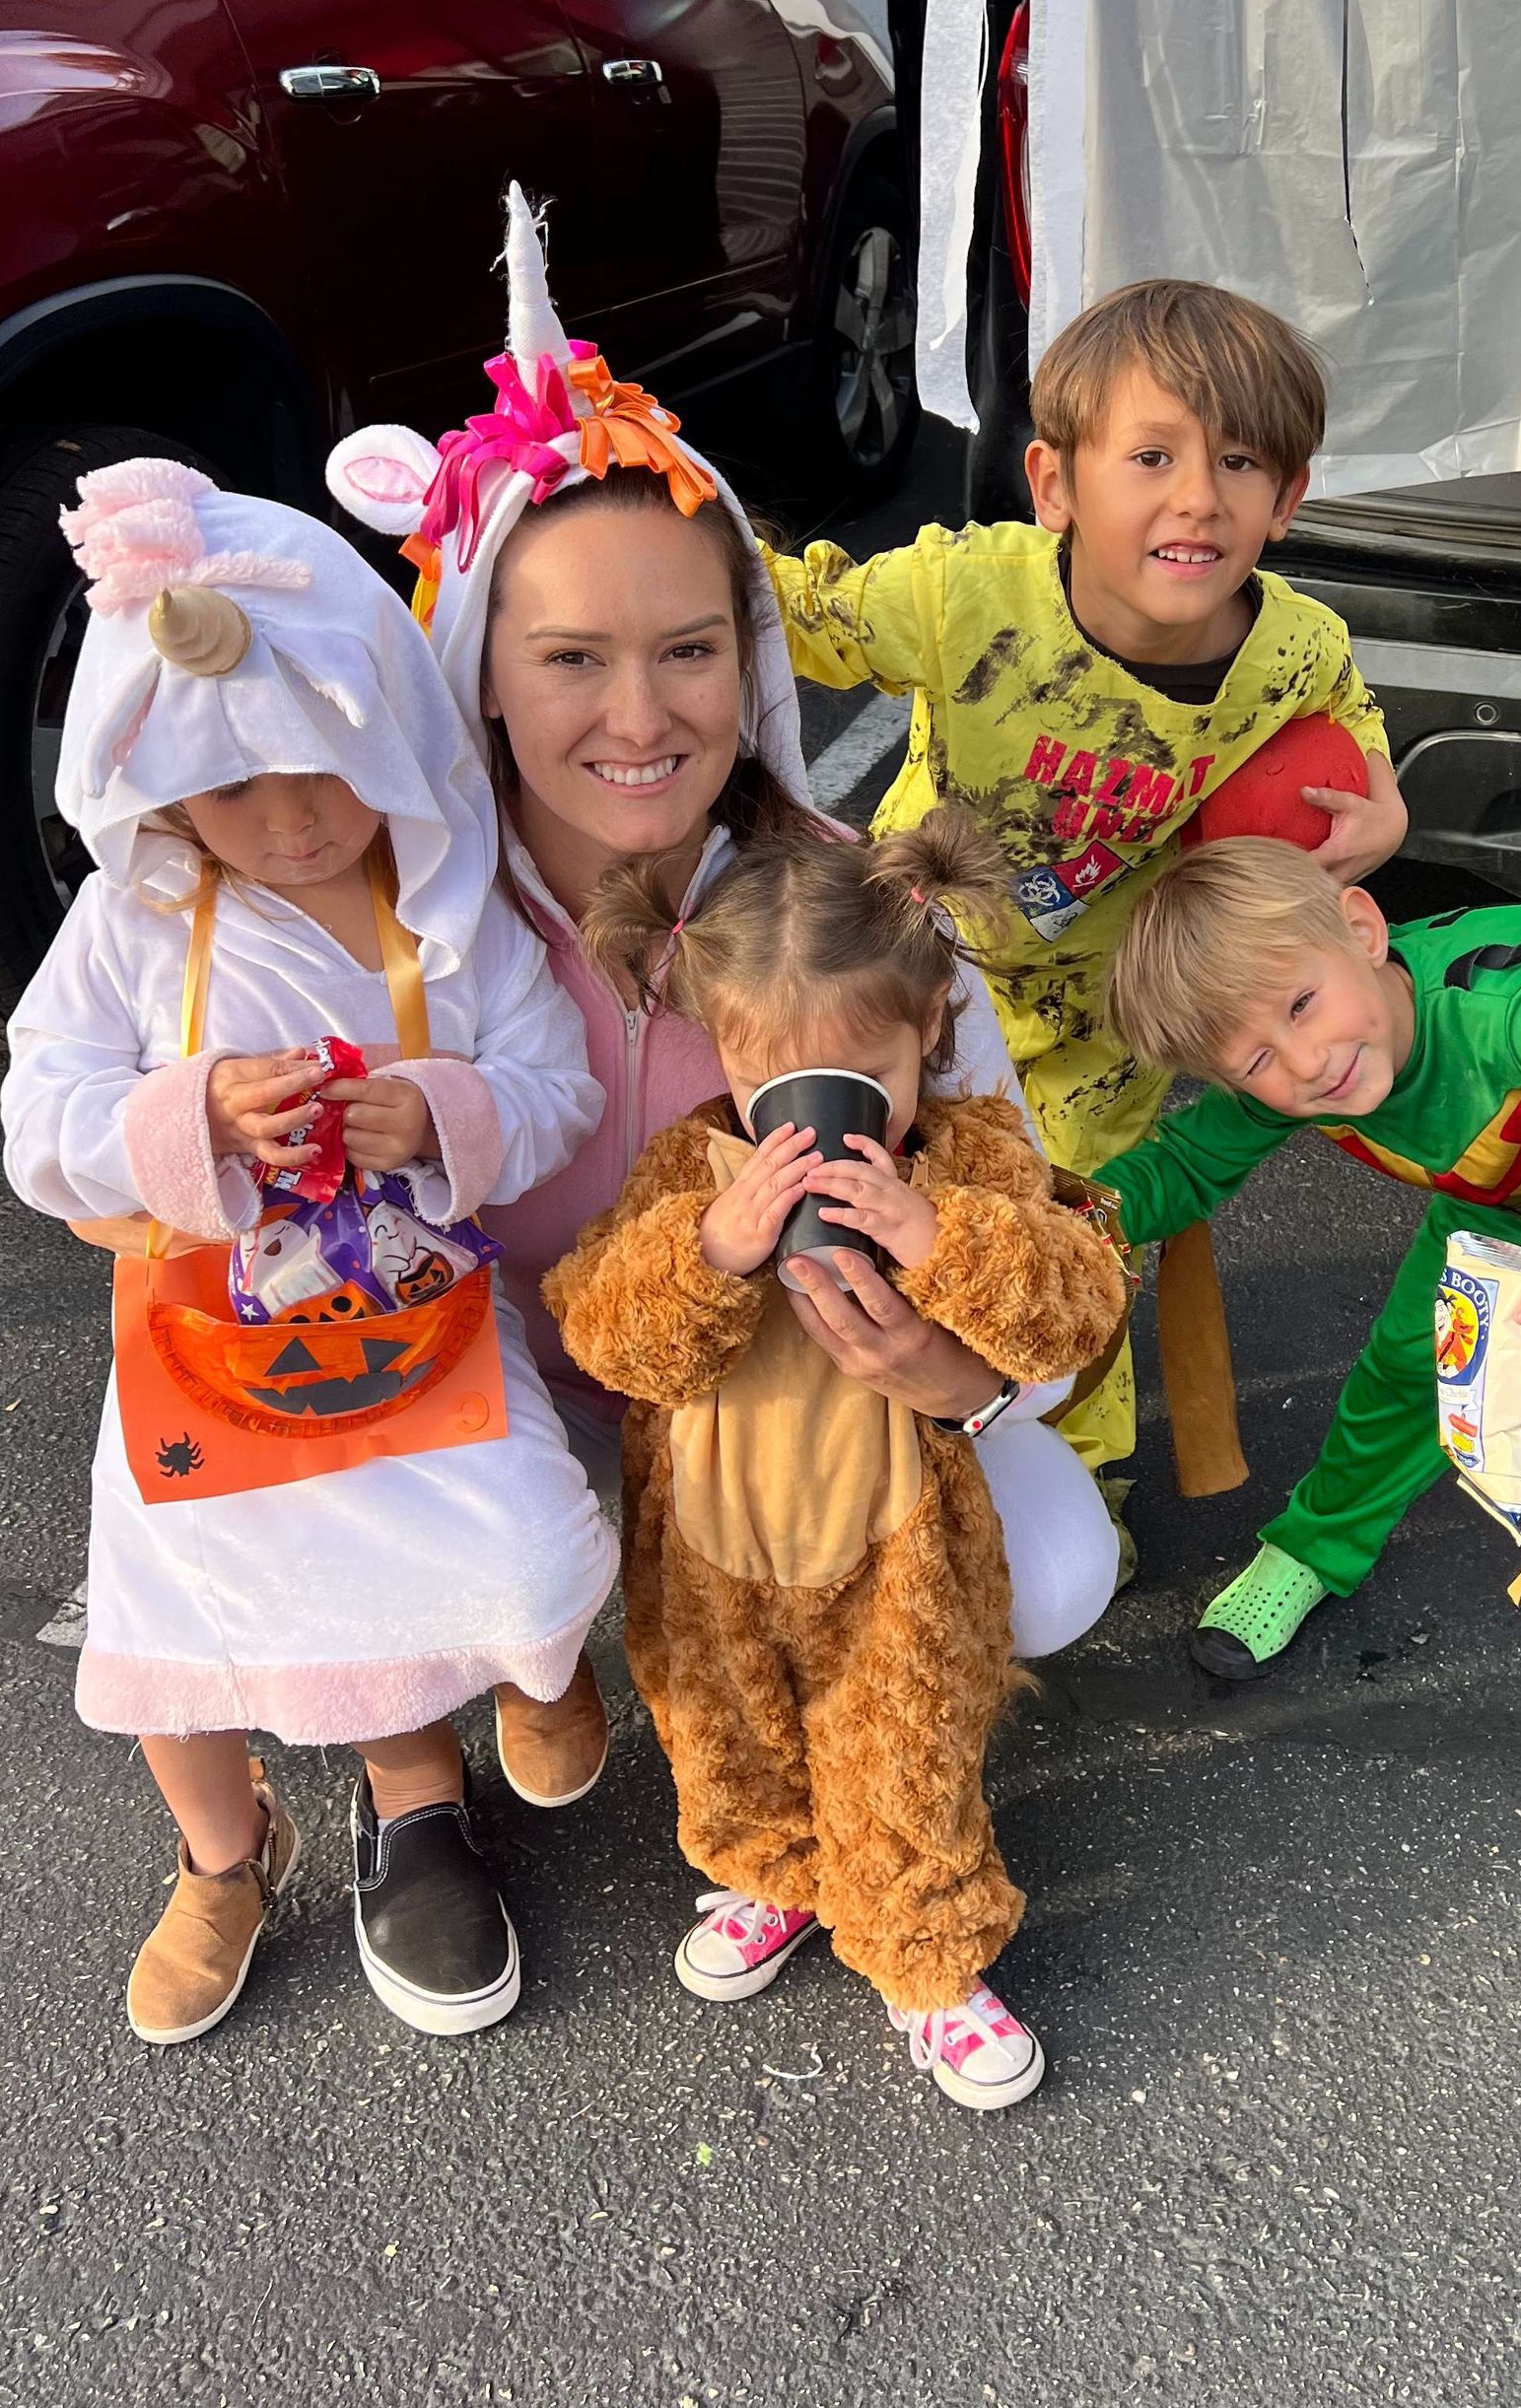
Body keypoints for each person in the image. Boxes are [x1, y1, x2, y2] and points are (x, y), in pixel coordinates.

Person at [325, 188, 1123, 1814]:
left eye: (688, 650)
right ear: (480, 660)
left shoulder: (860, 912)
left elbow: (1032, 1203)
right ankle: (418, 1792)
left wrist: (967, 1381)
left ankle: (867, 1748)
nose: (642, 716)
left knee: (1056, 1562)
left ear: (747, 653)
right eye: (569, 660)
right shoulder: (403, 916)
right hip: (515, 1415)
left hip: (786, 1408)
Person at [1, 459, 618, 2043]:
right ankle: (224, 1854)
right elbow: (37, 1117)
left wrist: (445, 1115)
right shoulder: (135, 929)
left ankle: (486, 1719)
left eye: (323, 779)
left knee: (526, 1538)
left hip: (423, 1328)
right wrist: (188, 1113)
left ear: (395, 746)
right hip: (210, 1343)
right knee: (177, 1620)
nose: (284, 827)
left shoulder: (454, 916)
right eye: (228, 790)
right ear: (152, 785)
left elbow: (554, 1087)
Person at [756, 278, 1410, 1473]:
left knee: (1075, 1244)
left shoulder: (1294, 648)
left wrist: (1385, 786)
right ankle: (883, 1462)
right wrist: (643, 499)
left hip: (1105, 1017)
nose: (1198, 499)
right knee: (890, 1213)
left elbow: (1342, 704)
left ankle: (1075, 1468)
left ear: (1289, 501)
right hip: (918, 975)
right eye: (1152, 456)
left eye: (1242, 464)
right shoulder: (968, 593)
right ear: (1054, 483)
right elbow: (793, 607)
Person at [543, 814, 1128, 2109]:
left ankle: (924, 1955)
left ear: (926, 1028)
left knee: (901, 1745)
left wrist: (942, 1237)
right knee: (721, 1733)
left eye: (859, 1080)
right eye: (774, 1094)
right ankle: (772, 1874)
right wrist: (705, 1246)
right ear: (727, 1057)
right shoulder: (693, 1166)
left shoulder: (968, 1156)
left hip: (895, 1544)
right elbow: (600, 1323)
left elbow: (1078, 1299)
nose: (808, 1128)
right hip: (713, 1544)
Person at [1092, 839, 1521, 1676]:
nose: (1306, 1062)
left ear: (1361, 930)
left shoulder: (1517, 1011)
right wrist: (1056, 1220)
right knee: (1417, 1359)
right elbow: (1178, 1166)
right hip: (1517, 1168)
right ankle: (1313, 1551)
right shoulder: (1317, 1052)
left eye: (1304, 1005)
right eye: (1255, 1063)